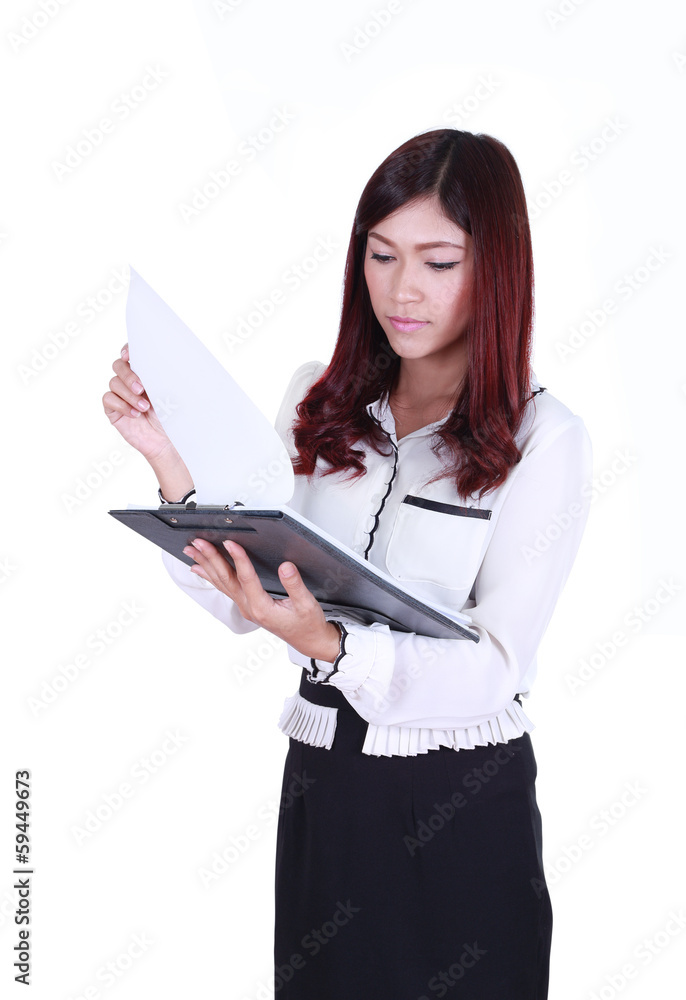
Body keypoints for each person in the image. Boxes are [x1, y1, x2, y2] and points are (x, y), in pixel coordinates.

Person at [103, 128, 593, 999]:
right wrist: (169, 461)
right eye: (381, 253)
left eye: (439, 262)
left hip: (460, 799)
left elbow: (496, 668)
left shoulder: (544, 439)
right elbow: (246, 591)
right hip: (325, 787)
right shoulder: (316, 398)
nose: (402, 289)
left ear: (499, 269)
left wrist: (332, 647)